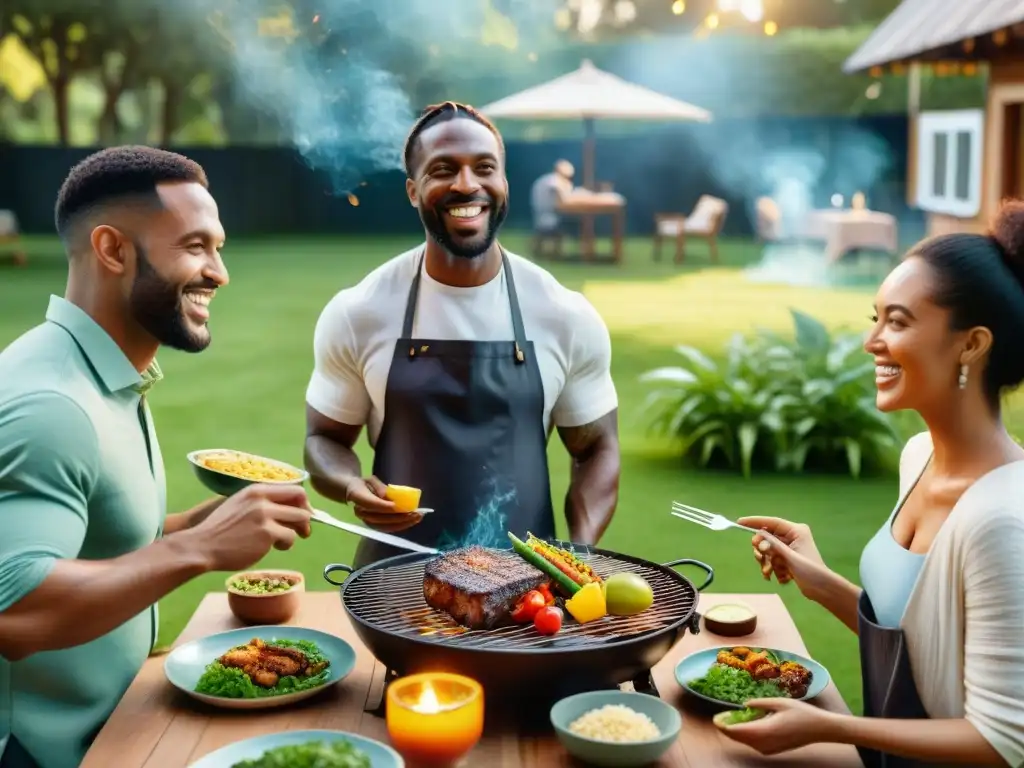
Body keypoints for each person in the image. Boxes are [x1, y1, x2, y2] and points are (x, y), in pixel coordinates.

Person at [0, 146, 314, 768]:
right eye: (196, 247)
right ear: (113, 250)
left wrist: (192, 526)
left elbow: (89, 541)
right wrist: (193, 551)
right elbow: (15, 608)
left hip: (119, 729)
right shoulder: (54, 406)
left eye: (218, 247)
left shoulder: (103, 375)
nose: (219, 273)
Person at [717, 201, 1024, 767]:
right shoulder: (921, 456)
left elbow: (1001, 741)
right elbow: (925, 648)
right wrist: (823, 583)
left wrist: (830, 726)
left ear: (972, 344)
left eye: (899, 321)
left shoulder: (1003, 519)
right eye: (875, 317)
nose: (872, 341)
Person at [304, 102, 619, 568]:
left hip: (527, 596)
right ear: (413, 190)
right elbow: (323, 439)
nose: (467, 184)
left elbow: (597, 448)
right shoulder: (360, 311)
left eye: (484, 168)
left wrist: (578, 552)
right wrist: (352, 487)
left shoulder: (563, 313)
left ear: (504, 184)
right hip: (390, 587)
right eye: (443, 170)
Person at [530, 159, 575, 257]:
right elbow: (562, 201)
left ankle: (544, 250)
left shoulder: (545, 179)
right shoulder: (555, 181)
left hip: (540, 217)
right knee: (577, 220)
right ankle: (559, 253)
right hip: (550, 219)